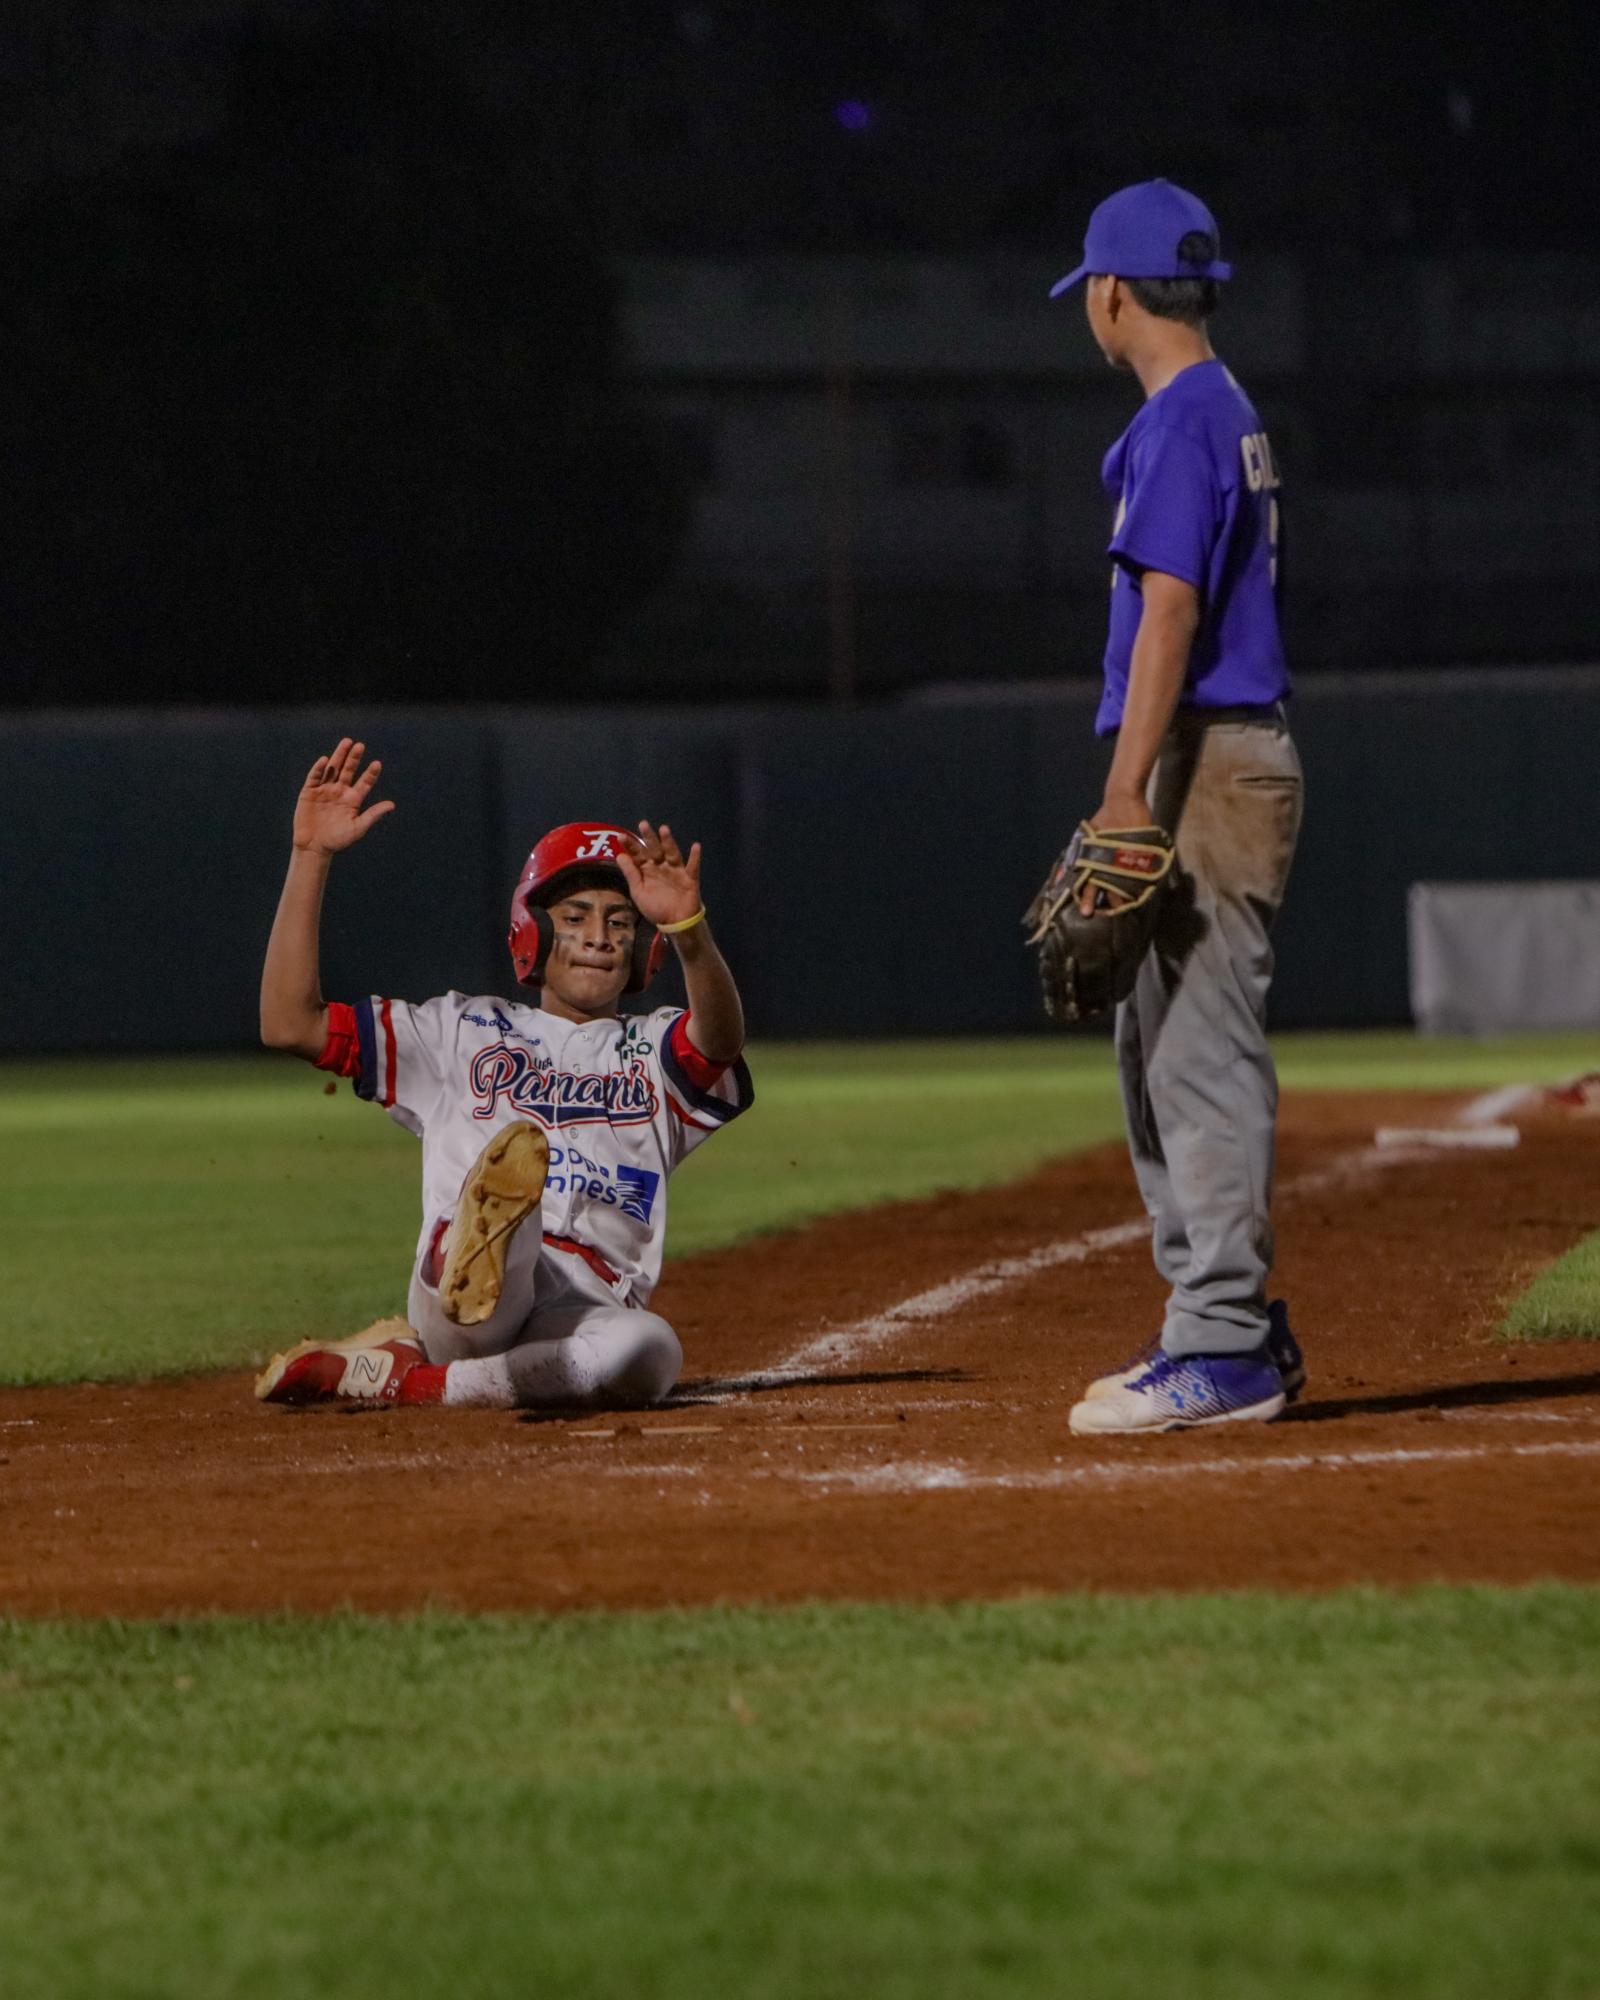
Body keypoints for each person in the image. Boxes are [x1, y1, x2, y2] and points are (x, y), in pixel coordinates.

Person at [254, 737, 752, 1410]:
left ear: (643, 947)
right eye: (574, 918)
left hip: (582, 1307)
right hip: (460, 1300)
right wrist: (309, 857)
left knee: (647, 1351)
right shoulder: (457, 1030)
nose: (599, 935)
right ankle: (479, 1240)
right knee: (506, 1211)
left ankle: (404, 1378)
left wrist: (691, 931)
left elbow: (718, 1041)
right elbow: (289, 1023)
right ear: (533, 935)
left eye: (620, 922)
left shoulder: (656, 1048)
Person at [1047, 180, 1305, 1435]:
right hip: (1209, 756)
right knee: (1157, 1054)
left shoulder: (1179, 420)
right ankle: (1231, 1324)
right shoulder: (1220, 408)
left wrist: (1121, 791)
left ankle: (1223, 1345)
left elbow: (1168, 610)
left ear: (1110, 292)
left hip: (1203, 759)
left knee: (1197, 1055)